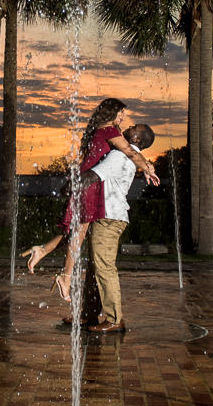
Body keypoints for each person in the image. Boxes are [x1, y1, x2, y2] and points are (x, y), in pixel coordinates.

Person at [20, 98, 158, 300]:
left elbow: (128, 153)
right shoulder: (110, 131)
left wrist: (145, 166)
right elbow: (129, 151)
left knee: (78, 231)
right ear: (111, 112)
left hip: (88, 181)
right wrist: (148, 168)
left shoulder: (101, 129)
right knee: (79, 233)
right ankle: (65, 277)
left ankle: (42, 250)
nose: (124, 118)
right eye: (120, 113)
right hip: (89, 183)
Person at [81, 123, 155, 333]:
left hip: (109, 218)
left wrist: (69, 185)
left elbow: (92, 177)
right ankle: (89, 314)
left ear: (136, 140)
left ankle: (114, 319)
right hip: (108, 216)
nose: (129, 126)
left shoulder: (119, 156)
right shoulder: (128, 156)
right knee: (96, 267)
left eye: (134, 128)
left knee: (104, 267)